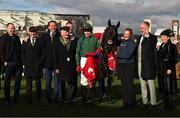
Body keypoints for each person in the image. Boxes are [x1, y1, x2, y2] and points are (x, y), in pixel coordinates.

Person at [76, 23, 100, 104]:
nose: (87, 32)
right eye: (85, 31)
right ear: (83, 31)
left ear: (91, 31)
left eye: (88, 31)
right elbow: (77, 53)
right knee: (83, 79)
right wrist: (78, 64)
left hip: (92, 60)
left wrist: (95, 53)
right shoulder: (80, 40)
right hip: (83, 60)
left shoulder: (95, 39)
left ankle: (92, 99)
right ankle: (84, 100)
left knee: (92, 78)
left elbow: (99, 49)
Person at [53, 26, 78, 104]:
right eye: (65, 32)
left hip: (71, 65)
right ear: (61, 32)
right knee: (61, 83)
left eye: (68, 31)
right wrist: (56, 67)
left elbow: (76, 53)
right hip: (61, 66)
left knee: (71, 82)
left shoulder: (73, 41)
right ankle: (61, 99)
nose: (67, 33)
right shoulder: (57, 41)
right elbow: (54, 55)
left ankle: (70, 99)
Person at [1, 23, 22, 104]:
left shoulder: (16, 37)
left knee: (18, 81)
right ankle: (7, 99)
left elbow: (19, 49)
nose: (12, 30)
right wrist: (5, 62)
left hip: (17, 63)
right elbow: (1, 51)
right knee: (7, 82)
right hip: (8, 63)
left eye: (13, 28)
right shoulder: (3, 37)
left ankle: (16, 98)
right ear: (7, 28)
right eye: (11, 28)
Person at [137, 21, 157, 108]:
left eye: (143, 28)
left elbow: (152, 46)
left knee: (150, 84)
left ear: (147, 28)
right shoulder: (139, 38)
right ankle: (145, 102)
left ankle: (153, 103)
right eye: (140, 28)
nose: (141, 29)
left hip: (148, 64)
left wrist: (147, 36)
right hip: (140, 64)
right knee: (142, 84)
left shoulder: (153, 37)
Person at [21, 26, 44, 103]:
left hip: (38, 66)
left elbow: (43, 53)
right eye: (31, 31)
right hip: (28, 66)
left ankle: (38, 98)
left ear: (36, 32)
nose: (33, 33)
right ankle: (29, 98)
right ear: (29, 32)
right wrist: (25, 62)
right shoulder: (25, 41)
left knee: (38, 83)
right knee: (29, 84)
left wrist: (40, 62)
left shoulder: (40, 41)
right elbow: (22, 53)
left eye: (34, 31)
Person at [116, 28, 137, 109]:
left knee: (129, 85)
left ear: (130, 35)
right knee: (123, 85)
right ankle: (125, 104)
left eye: (127, 34)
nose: (125, 35)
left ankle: (132, 104)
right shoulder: (122, 42)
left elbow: (127, 55)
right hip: (121, 65)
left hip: (129, 66)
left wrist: (117, 54)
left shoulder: (132, 43)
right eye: (124, 34)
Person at [40, 20, 60, 103]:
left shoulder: (59, 36)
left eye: (55, 25)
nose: (53, 27)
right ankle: (48, 98)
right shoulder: (44, 36)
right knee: (47, 81)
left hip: (57, 63)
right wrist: (27, 38)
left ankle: (56, 97)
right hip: (47, 62)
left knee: (56, 81)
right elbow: (39, 46)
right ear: (48, 27)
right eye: (51, 25)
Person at [158, 29, 177, 110]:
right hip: (162, 68)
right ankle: (166, 104)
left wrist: (169, 68)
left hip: (168, 68)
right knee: (164, 86)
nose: (162, 38)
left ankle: (169, 105)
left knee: (169, 86)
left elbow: (173, 58)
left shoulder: (171, 46)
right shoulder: (162, 45)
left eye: (164, 36)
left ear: (168, 37)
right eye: (161, 36)